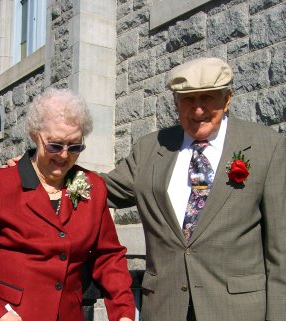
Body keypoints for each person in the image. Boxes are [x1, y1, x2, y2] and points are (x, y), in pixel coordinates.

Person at [101, 57, 286, 321]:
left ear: (227, 99)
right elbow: (102, 189)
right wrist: (45, 168)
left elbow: (281, 252)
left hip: (238, 311)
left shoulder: (267, 146)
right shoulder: (150, 149)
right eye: (188, 99)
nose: (198, 110)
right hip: (165, 309)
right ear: (175, 102)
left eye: (208, 98)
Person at [0, 88, 135, 321]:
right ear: (35, 135)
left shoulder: (93, 186)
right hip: (5, 314)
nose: (64, 155)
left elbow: (108, 255)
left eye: (75, 146)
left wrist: (123, 312)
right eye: (55, 145)